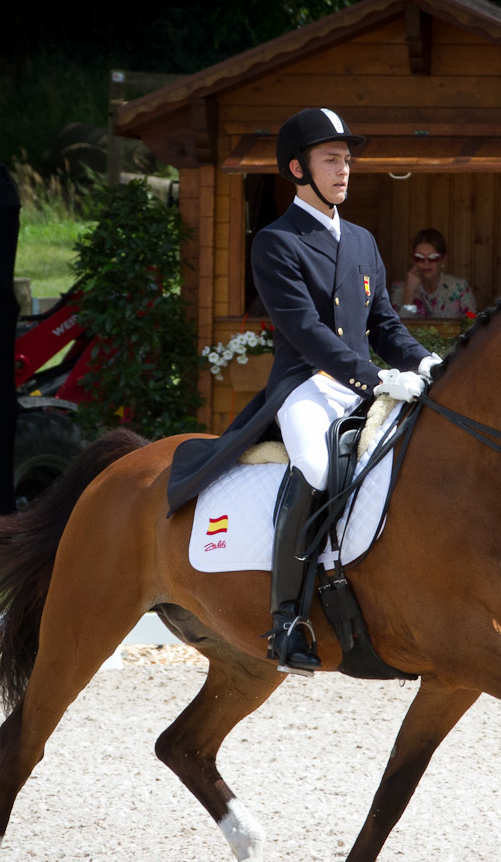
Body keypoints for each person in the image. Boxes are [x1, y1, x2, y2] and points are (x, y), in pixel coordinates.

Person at [165, 107, 440, 674]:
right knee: (316, 465)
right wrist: (376, 377)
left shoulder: (362, 240)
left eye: (347, 160)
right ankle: (287, 616)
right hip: (307, 386)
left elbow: (384, 324)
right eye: (331, 159)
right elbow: (306, 333)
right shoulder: (276, 242)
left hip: (365, 385)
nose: (344, 170)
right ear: (298, 168)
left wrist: (429, 362)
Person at [390, 229, 477, 319]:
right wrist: (409, 292)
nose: (426, 263)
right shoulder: (400, 288)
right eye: (419, 257)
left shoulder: (459, 288)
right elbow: (398, 327)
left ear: (443, 259)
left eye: (433, 257)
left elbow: (472, 319)